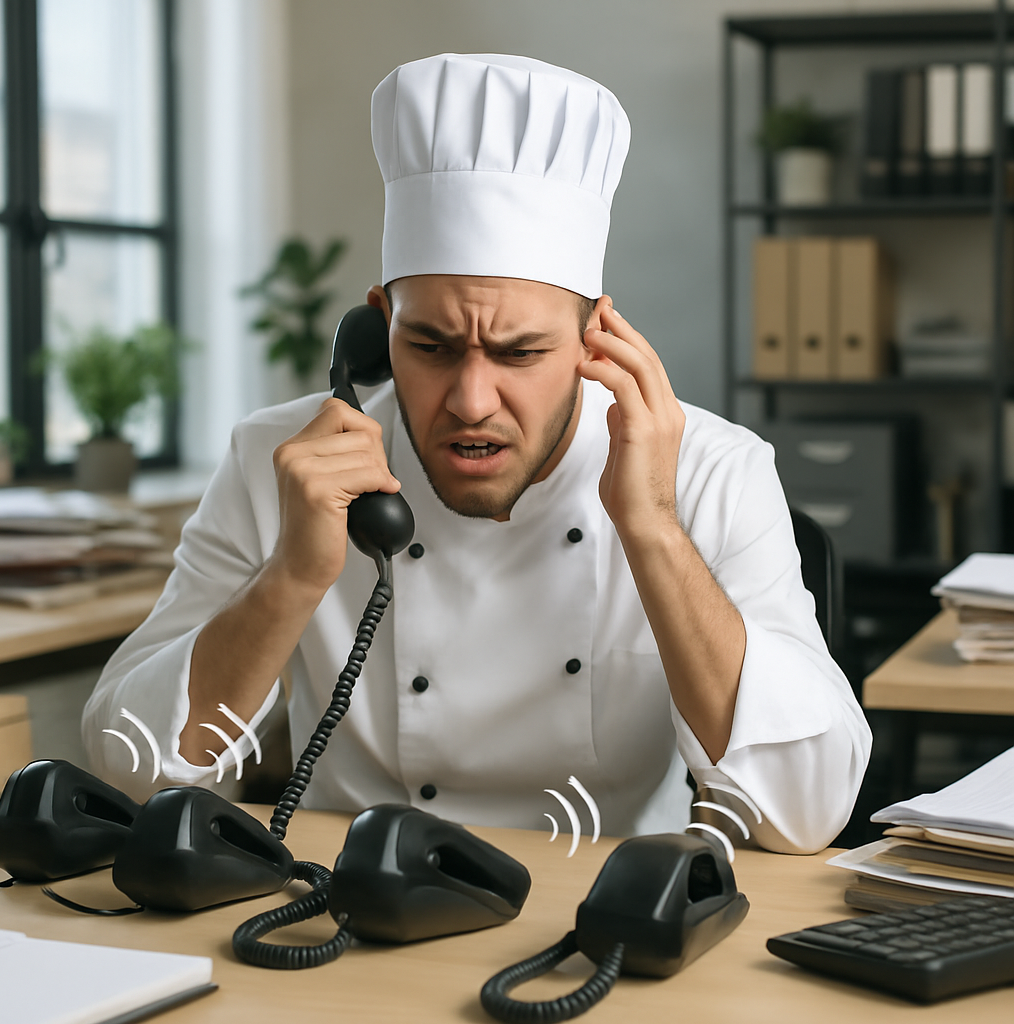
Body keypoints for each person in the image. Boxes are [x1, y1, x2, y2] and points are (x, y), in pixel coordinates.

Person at [83, 53, 870, 854]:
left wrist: (655, 530)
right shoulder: (280, 460)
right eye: (429, 344)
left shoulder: (711, 470)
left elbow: (805, 814)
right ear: (380, 323)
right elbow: (129, 773)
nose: (470, 398)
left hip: (608, 919)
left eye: (520, 353)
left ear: (595, 338)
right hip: (344, 909)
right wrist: (291, 578)